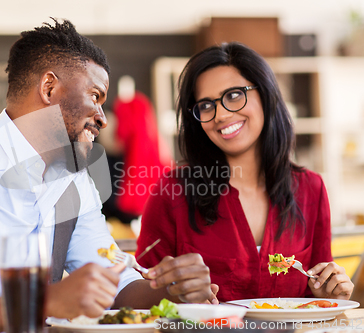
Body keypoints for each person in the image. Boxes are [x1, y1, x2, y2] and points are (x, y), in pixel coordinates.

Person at [0, 19, 216, 333]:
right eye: (95, 96)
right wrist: (42, 300)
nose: (103, 117)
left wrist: (170, 289)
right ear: (49, 88)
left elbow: (118, 287)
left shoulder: (73, 183)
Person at [136, 42, 354, 302]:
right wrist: (174, 295)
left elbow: (316, 289)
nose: (221, 114)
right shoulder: (171, 192)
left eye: (234, 95)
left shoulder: (311, 188)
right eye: (206, 105)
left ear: (265, 94)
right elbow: (142, 289)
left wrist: (330, 291)